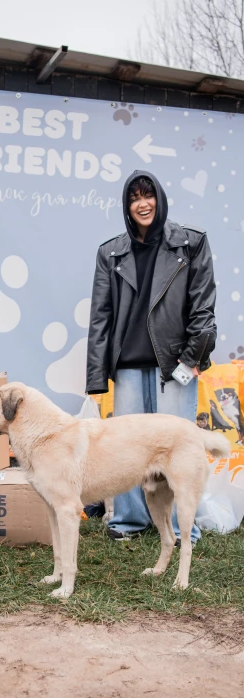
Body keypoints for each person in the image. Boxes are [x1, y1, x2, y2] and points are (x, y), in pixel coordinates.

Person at [86, 170, 216, 543]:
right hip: (126, 367)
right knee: (125, 451)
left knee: (175, 450)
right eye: (134, 198)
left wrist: (191, 361)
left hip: (174, 366)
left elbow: (203, 309)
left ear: (159, 197)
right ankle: (128, 523)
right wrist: (97, 378)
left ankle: (179, 529)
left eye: (148, 195)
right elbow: (101, 317)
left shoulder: (191, 243)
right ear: (127, 206)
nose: (142, 203)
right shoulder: (110, 252)